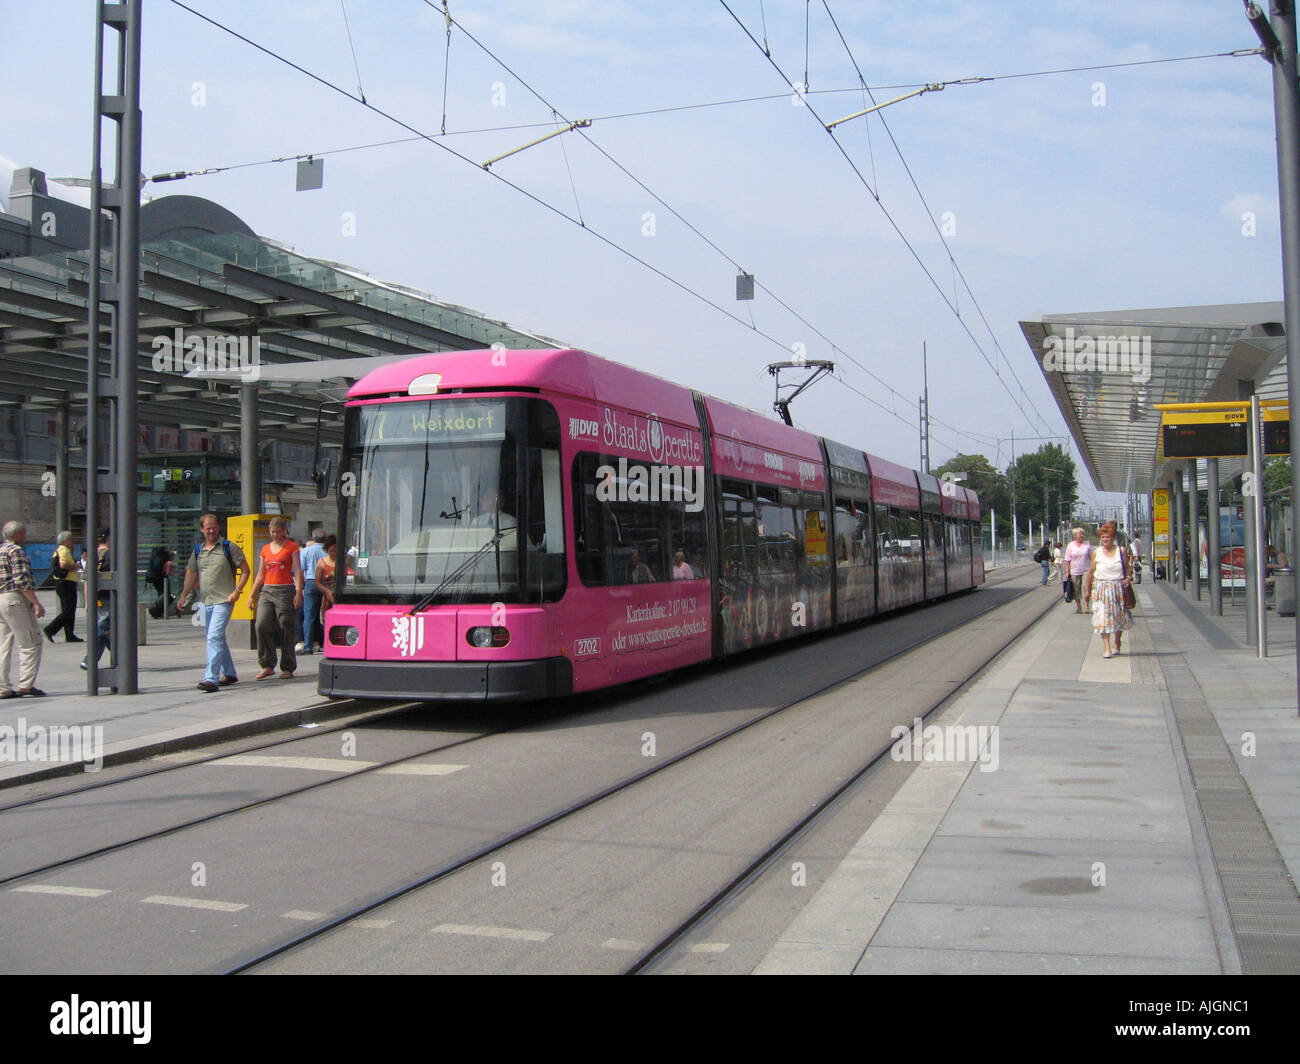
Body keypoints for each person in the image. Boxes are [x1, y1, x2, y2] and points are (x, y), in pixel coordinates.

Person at [177, 514, 251, 693]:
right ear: (202, 529)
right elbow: (192, 574)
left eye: (214, 527)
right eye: (207, 528)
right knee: (217, 638)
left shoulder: (228, 547)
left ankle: (211, 679)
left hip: (224, 600)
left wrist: (237, 591)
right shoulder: (198, 550)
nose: (211, 531)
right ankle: (230, 673)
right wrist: (184, 595)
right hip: (206, 600)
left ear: (218, 527)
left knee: (213, 637)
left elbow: (246, 570)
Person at [248, 517, 303, 679]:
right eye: (272, 532)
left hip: (285, 590)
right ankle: (267, 663)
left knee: (285, 625)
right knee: (261, 624)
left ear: (284, 531)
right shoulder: (265, 549)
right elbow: (260, 574)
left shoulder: (291, 547)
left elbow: (298, 571)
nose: (275, 535)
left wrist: (298, 592)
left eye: (278, 532)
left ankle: (287, 666)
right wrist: (252, 594)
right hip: (267, 589)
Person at [0, 520, 46, 698]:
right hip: (14, 599)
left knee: (4, 644)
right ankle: (26, 684)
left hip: (1, 598)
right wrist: (35, 603)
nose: (26, 537)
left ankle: (3, 686)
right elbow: (21, 580)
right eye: (24, 533)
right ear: (18, 535)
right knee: (31, 642)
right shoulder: (16, 551)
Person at [1084, 520, 1133, 658]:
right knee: (1102, 618)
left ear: (1113, 538)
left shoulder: (1120, 551)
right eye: (1103, 537)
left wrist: (1128, 578)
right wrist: (1087, 590)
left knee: (1119, 617)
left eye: (1108, 537)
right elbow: (1090, 572)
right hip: (1101, 589)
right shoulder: (1096, 552)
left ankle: (1117, 642)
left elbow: (1127, 567)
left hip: (1117, 587)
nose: (1105, 539)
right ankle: (1107, 647)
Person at [81, 528, 112, 673]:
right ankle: (90, 659)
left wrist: (88, 600)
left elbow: (87, 580)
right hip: (108, 597)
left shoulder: (93, 555)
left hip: (97, 598)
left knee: (107, 628)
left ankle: (121, 655)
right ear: (109, 538)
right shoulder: (112, 555)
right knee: (104, 628)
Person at [43, 530, 82, 643]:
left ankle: (69, 634)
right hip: (65, 583)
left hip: (66, 582)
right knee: (68, 610)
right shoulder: (64, 550)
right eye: (70, 539)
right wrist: (75, 566)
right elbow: (63, 564)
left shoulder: (63, 550)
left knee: (70, 609)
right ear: (65, 541)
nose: (72, 542)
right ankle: (50, 629)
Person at [297, 527, 327, 655]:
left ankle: (308, 646)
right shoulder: (328, 551)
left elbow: (301, 569)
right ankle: (328, 643)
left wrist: (300, 587)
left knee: (309, 616)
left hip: (310, 582)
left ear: (313, 537)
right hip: (326, 582)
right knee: (327, 615)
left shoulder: (306, 551)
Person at [1063, 527, 1092, 614]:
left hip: (1086, 570)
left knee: (1086, 589)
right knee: (1076, 590)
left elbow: (1092, 557)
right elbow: (1067, 560)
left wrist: (1093, 569)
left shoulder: (1087, 544)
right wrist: (1067, 572)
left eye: (1082, 534)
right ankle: (1079, 607)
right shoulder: (1070, 545)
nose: (1082, 535)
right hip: (1074, 571)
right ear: (1075, 535)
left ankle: (1087, 606)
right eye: (1080, 534)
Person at [145, 546, 175, 620]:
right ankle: (156, 611)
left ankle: (158, 612)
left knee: (161, 595)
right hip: (163, 579)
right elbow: (167, 572)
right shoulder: (167, 561)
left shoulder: (156, 559)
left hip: (155, 579)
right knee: (166, 595)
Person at [315, 534, 338, 611]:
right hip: (328, 596)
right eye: (332, 551)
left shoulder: (343, 562)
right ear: (327, 550)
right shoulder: (322, 562)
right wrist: (327, 591)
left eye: (336, 550)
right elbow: (317, 582)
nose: (334, 553)